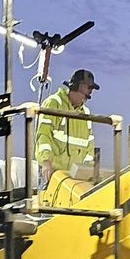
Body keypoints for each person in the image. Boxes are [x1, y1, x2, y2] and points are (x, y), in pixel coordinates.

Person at [33, 68, 101, 208]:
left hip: (76, 181)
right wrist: (46, 162)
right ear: (77, 86)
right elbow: (43, 135)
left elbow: (89, 147)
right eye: (88, 88)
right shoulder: (54, 103)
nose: (89, 94)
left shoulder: (86, 113)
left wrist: (89, 173)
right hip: (53, 176)